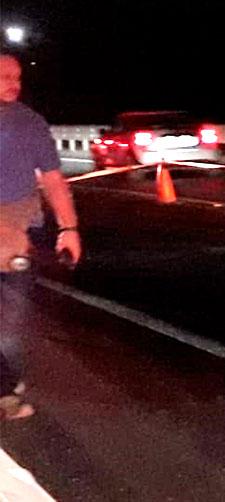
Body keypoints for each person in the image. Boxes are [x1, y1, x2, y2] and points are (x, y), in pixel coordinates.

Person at [0, 53, 82, 419]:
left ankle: (5, 385)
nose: (14, 83)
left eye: (17, 77)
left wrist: (69, 228)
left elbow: (52, 178)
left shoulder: (29, 122)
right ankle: (5, 390)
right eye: (4, 76)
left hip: (17, 237)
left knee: (10, 324)